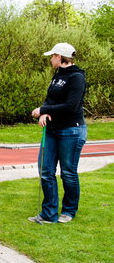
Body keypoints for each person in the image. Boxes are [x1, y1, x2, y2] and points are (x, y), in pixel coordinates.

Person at [29, 43, 87, 224]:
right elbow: (51, 98)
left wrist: (44, 109)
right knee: (46, 170)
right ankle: (48, 214)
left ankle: (69, 211)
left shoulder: (76, 77)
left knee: (68, 172)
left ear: (60, 57)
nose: (50, 59)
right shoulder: (57, 75)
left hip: (71, 129)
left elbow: (71, 106)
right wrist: (46, 112)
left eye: (52, 56)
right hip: (53, 130)